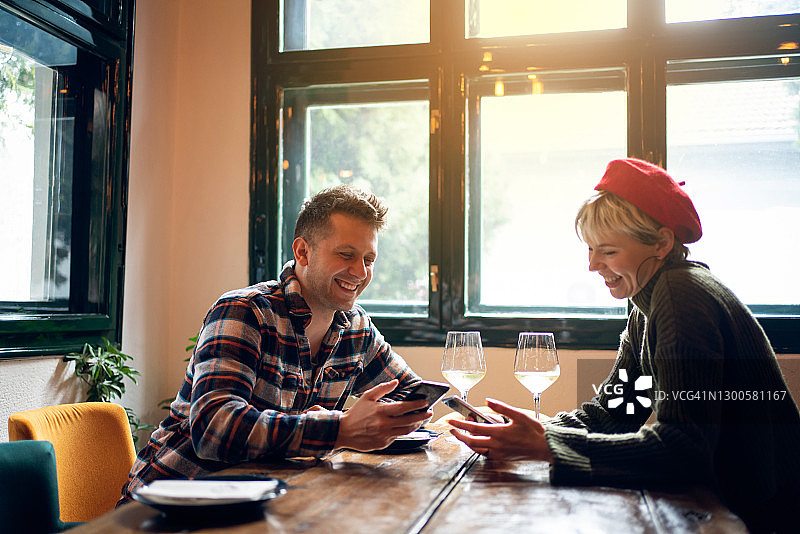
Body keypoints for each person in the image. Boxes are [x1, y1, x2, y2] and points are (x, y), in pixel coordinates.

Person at [449, 158, 800, 533]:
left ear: (662, 243)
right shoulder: (648, 297)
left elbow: (685, 448)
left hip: (766, 515)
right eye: (590, 249)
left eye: (609, 251)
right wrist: (541, 426)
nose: (592, 265)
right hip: (730, 503)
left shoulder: (680, 296)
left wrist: (548, 444)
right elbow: (616, 410)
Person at [119, 185, 431, 503]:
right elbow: (215, 429)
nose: (360, 272)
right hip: (171, 505)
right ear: (303, 252)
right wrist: (338, 430)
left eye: (369, 259)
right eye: (346, 254)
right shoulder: (246, 310)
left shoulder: (356, 326)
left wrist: (405, 414)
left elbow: (412, 394)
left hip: (263, 501)